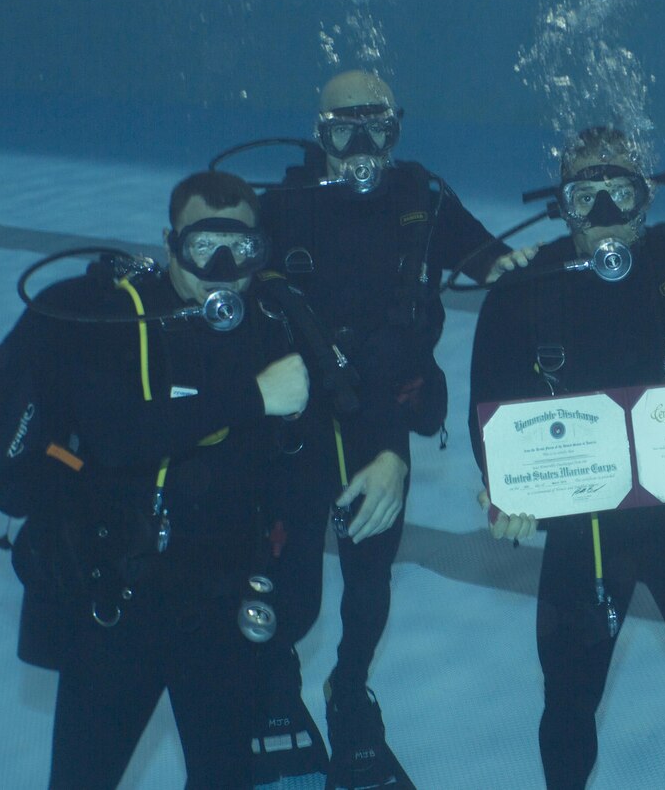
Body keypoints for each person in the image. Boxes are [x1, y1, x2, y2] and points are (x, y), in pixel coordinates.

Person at [469, 127, 665, 789]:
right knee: (568, 699)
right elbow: (489, 409)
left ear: (649, 196)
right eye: (587, 196)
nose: (605, 214)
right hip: (583, 537)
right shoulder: (523, 292)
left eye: (620, 192)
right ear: (561, 203)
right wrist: (499, 491)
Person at [258, 69, 533, 790]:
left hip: (382, 423)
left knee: (368, 574)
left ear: (395, 129)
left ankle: (349, 686)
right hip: (299, 424)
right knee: (292, 586)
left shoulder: (421, 196)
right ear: (319, 135)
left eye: (373, 126)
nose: (359, 144)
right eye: (341, 129)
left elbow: (489, 258)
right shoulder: (285, 205)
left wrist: (530, 269)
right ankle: (274, 679)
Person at [7, 171, 311, 789]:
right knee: (81, 779)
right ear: (170, 242)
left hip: (221, 607)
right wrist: (254, 397)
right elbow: (121, 435)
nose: (223, 264)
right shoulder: (114, 321)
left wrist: (384, 461)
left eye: (241, 247)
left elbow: (308, 460)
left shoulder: (272, 324)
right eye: (204, 245)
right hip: (118, 601)